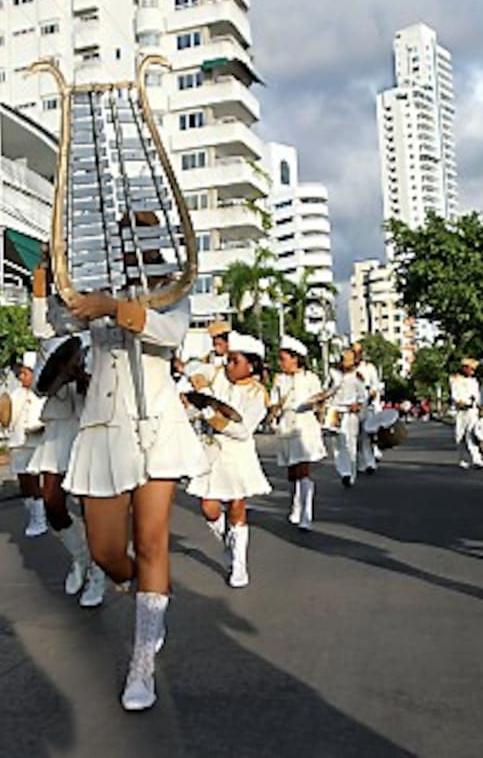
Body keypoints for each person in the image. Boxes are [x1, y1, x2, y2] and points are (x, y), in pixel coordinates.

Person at [39, 225, 209, 711]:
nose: (134, 249)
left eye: (143, 239)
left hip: (157, 425)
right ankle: (152, 599)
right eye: (126, 238)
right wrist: (53, 284)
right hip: (102, 430)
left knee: (153, 541)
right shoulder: (98, 292)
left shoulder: (173, 291)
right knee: (108, 553)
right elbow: (54, 324)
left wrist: (116, 309)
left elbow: (171, 333)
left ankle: (142, 663)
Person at [30, 274, 106, 608]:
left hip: (90, 425)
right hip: (60, 427)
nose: (69, 308)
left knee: (92, 508)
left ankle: (99, 575)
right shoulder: (49, 340)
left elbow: (105, 390)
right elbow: (38, 386)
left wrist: (82, 378)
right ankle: (81, 557)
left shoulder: (102, 339)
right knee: (52, 502)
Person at [186, 332, 271, 586]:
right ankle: (229, 541)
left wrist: (209, 413)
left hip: (237, 454)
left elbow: (241, 429)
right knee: (208, 507)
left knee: (236, 508)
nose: (228, 365)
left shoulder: (258, 394)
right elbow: (194, 374)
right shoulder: (218, 377)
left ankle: (240, 565)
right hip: (211, 451)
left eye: (235, 361)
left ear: (251, 365)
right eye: (228, 359)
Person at [271, 336, 328, 531]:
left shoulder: (310, 378)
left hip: (305, 426)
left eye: (283, 358)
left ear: (295, 358)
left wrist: (318, 403)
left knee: (304, 470)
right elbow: (273, 402)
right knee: (292, 471)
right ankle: (296, 506)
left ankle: (306, 513)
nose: (281, 363)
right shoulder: (280, 380)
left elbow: (320, 400)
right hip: (287, 425)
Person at [6, 355, 48, 538]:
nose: (22, 377)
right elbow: (8, 419)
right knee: (24, 483)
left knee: (35, 482)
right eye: (20, 374)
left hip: (37, 442)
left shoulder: (43, 393)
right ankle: (34, 515)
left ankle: (40, 519)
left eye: (25, 373)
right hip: (19, 442)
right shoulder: (15, 395)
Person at [329, 349, 366, 487]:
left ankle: (350, 474)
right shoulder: (335, 376)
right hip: (336, 411)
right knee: (337, 443)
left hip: (350, 413)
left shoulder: (357, 377)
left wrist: (357, 405)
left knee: (350, 443)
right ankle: (343, 471)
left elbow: (363, 397)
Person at [351, 341, 383, 474]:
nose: (356, 355)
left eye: (358, 352)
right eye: (354, 352)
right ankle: (359, 463)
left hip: (367, 405)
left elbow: (376, 385)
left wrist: (372, 394)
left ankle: (370, 463)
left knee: (366, 436)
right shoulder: (348, 369)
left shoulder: (369, 368)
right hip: (352, 407)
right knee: (354, 438)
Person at [449, 358, 483, 469]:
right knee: (460, 436)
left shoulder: (474, 381)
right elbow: (455, 395)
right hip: (460, 411)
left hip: (473, 411)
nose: (472, 372)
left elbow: (478, 396)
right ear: (465, 368)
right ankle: (462, 459)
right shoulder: (455, 379)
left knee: (472, 434)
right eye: (471, 369)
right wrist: (461, 402)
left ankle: (477, 459)